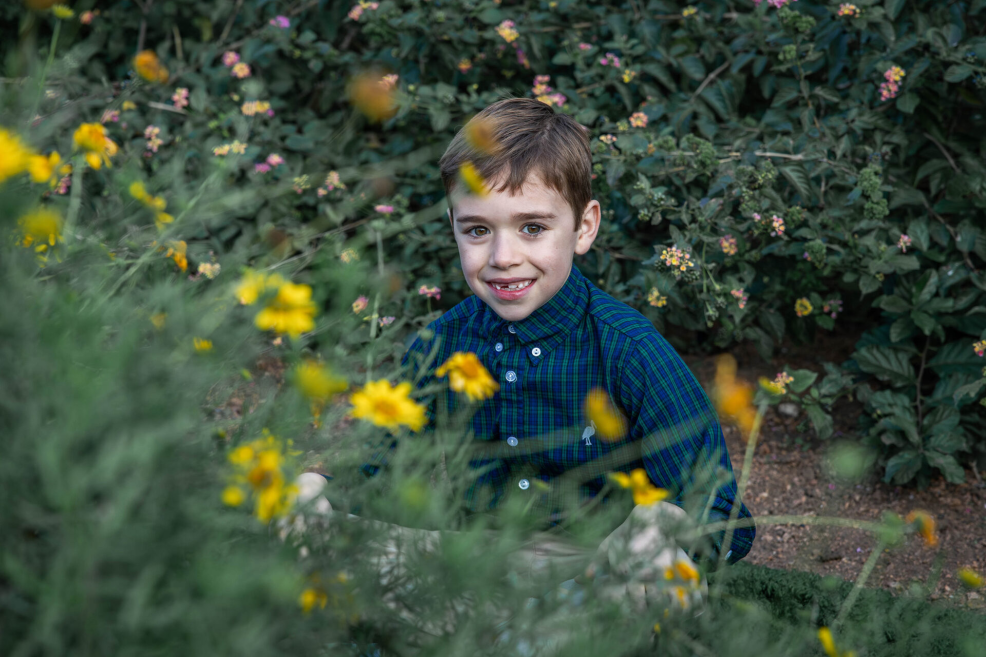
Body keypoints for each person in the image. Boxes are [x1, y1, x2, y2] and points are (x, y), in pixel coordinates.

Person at [325, 98, 754, 643]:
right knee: (324, 542)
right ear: (452, 225)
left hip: (594, 572)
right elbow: (371, 472)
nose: (502, 256)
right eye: (478, 230)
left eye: (532, 227)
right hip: (474, 565)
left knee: (652, 583)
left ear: (583, 227)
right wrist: (317, 494)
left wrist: (659, 527)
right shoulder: (442, 345)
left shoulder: (627, 349)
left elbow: (726, 515)